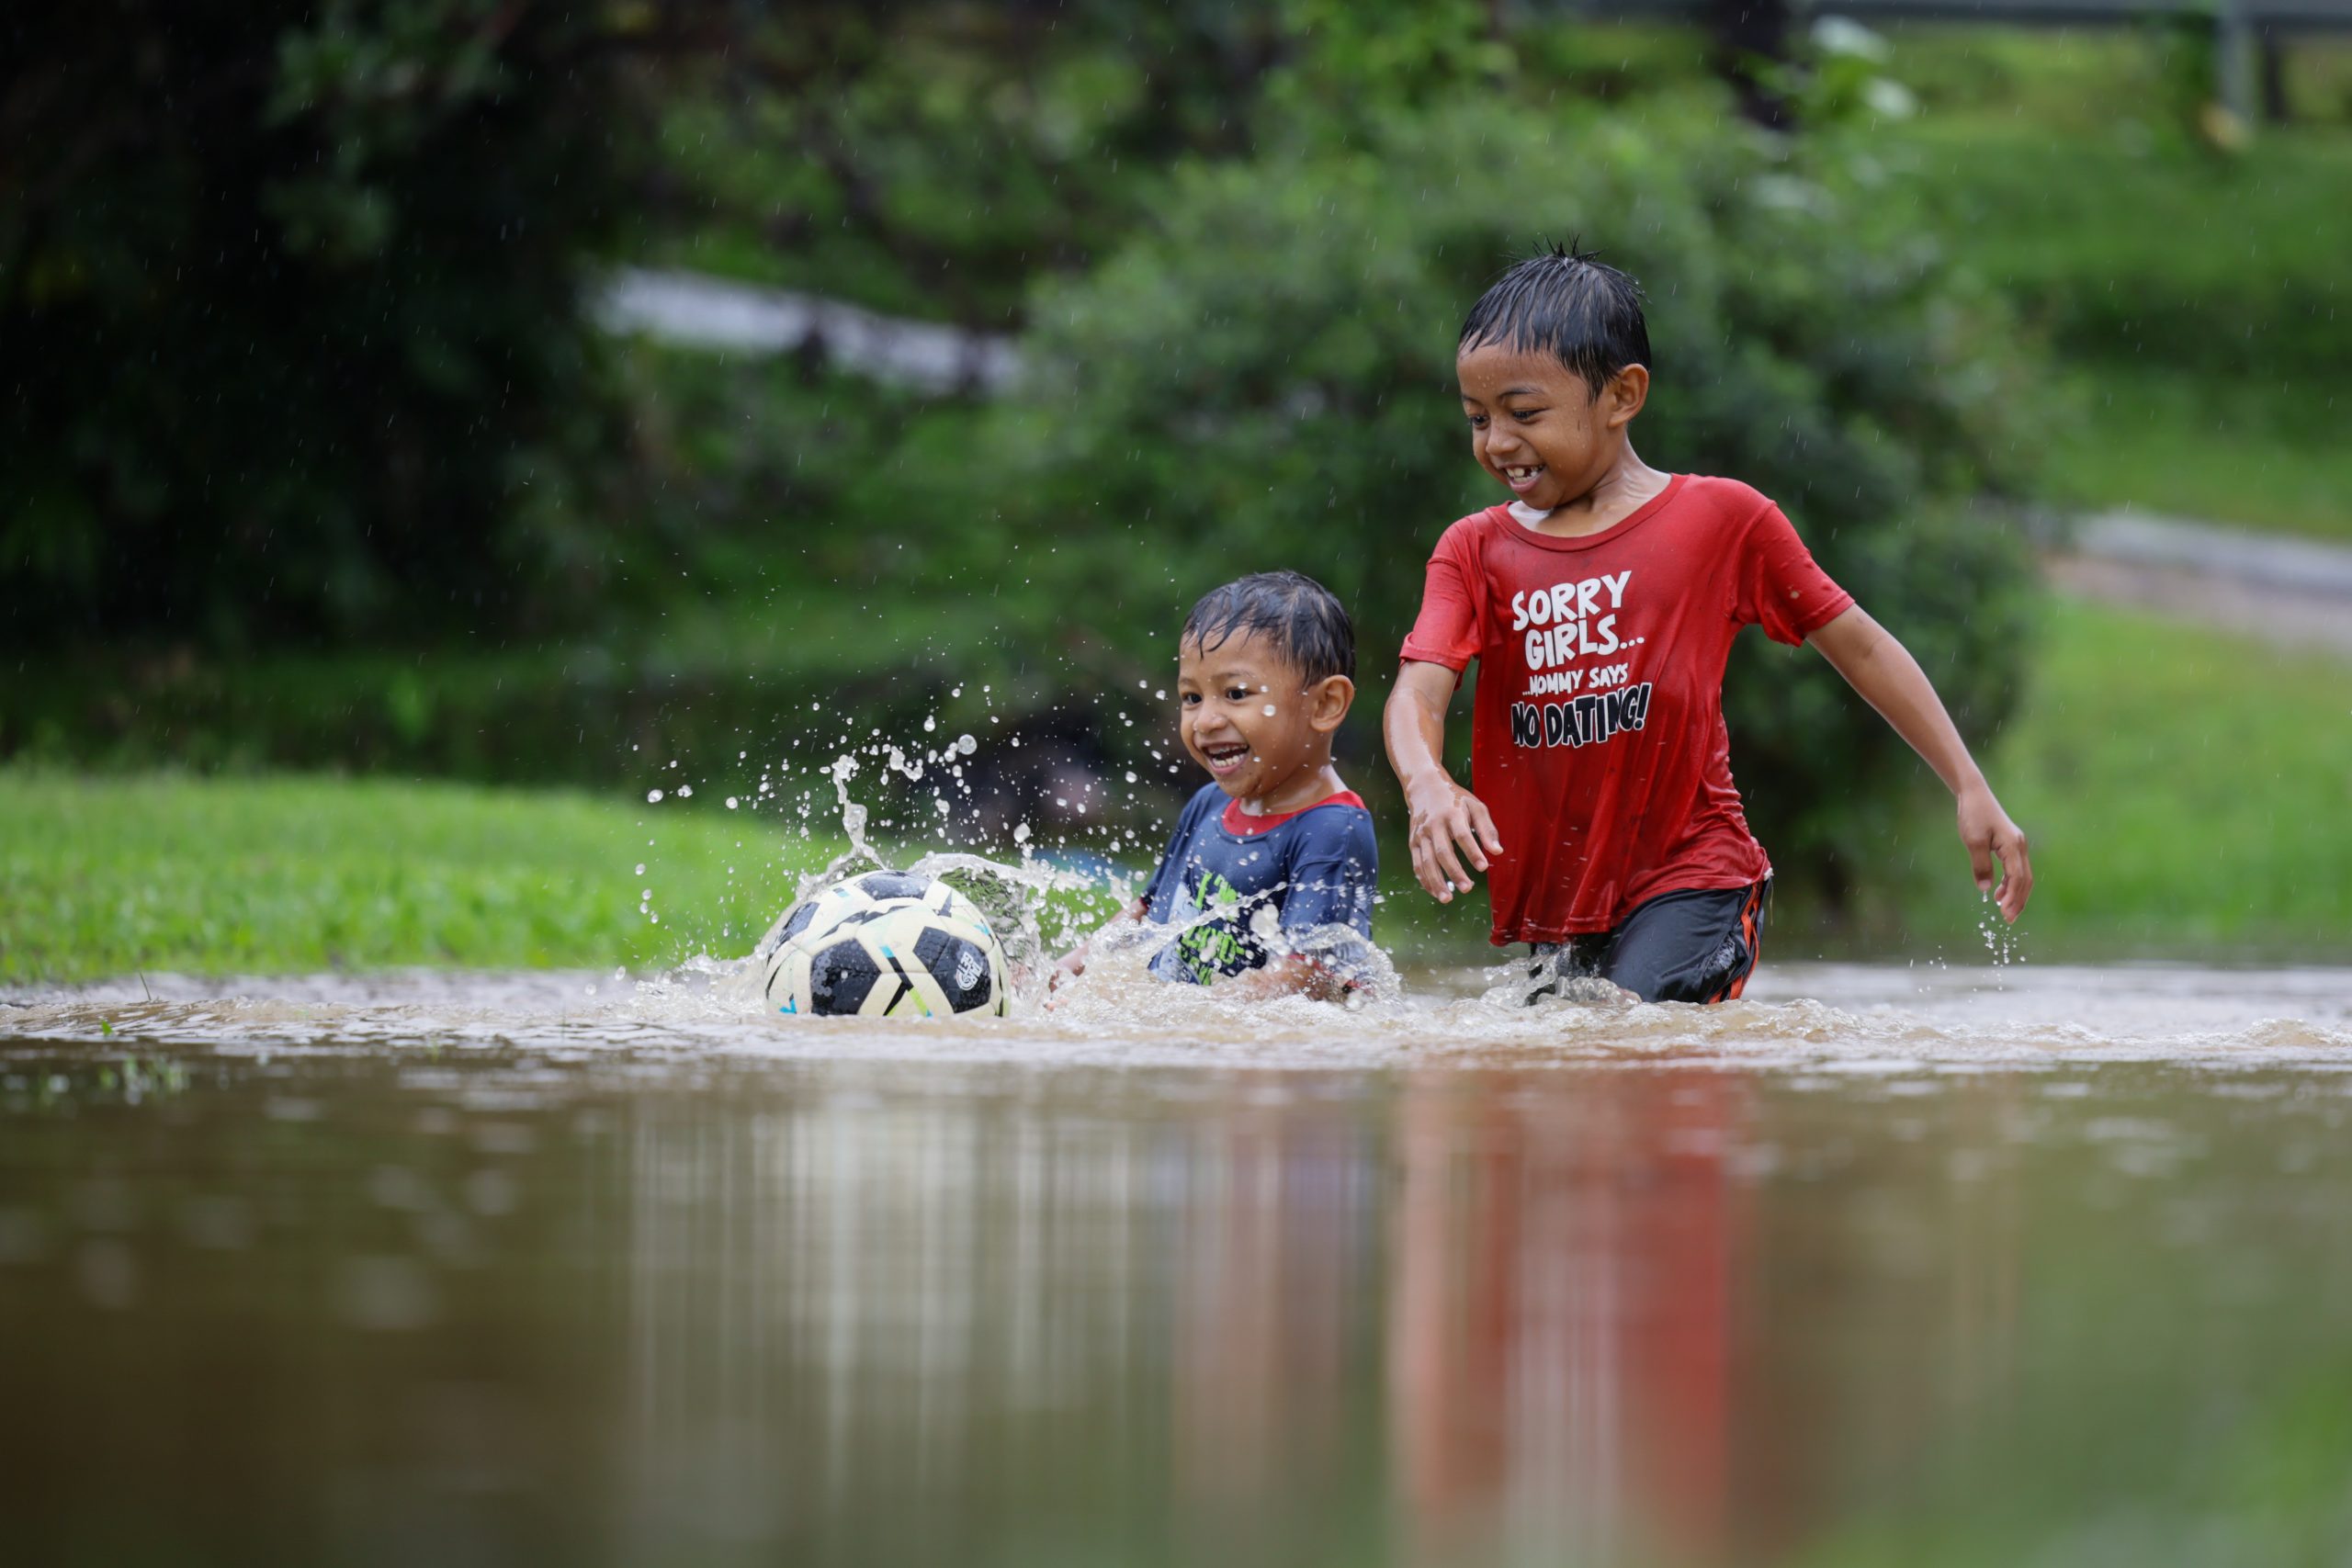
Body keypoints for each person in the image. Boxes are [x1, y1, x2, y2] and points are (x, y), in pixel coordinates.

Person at [1384, 246, 2033, 1005]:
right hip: (1562, 904)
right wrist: (1425, 781)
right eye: (1478, 418)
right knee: (1562, 1081)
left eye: (1525, 414)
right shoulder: (1474, 550)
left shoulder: (1719, 520)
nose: (1497, 441)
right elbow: (1417, 693)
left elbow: (1858, 644)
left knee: (1623, 1038)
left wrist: (1968, 782)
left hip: (1696, 878)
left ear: (1622, 395)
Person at [1054, 571, 1379, 1000]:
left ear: (1324, 704)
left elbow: (1306, 976)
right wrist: (1067, 970)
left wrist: (1188, 1016)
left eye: (1236, 693)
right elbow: (1147, 915)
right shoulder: (1208, 804)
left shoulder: (1332, 830)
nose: (1206, 720)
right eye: (1192, 697)